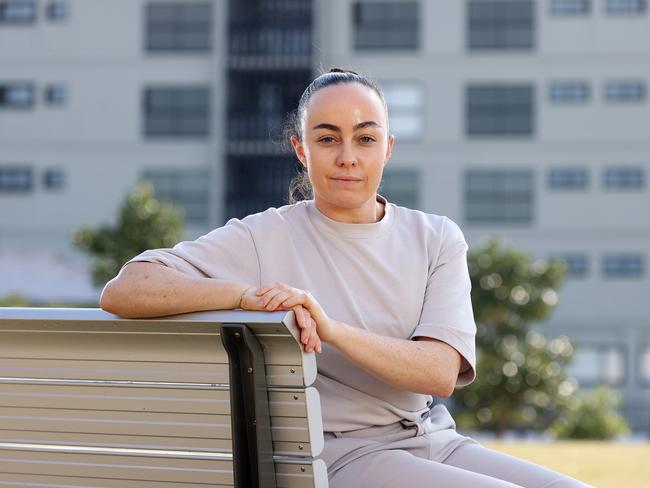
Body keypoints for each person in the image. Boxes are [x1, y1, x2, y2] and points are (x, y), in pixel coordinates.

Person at [101, 69, 593, 487]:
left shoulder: (437, 237)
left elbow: (439, 372)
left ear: (388, 148)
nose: (348, 157)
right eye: (328, 138)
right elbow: (125, 289)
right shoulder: (262, 236)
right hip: (338, 457)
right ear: (301, 149)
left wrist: (329, 327)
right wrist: (246, 296)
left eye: (365, 137)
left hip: (432, 439)